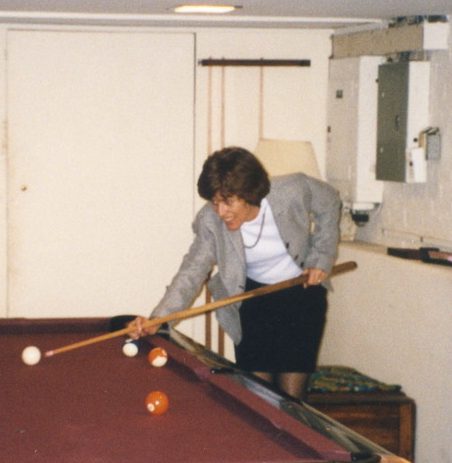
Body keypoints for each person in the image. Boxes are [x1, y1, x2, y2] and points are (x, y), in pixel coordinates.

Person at [132, 146, 341, 400]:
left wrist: (320, 257)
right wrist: (158, 319)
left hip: (301, 295)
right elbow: (192, 271)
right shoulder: (210, 221)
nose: (221, 211)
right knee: (259, 397)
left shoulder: (292, 190)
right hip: (252, 302)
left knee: (292, 401)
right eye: (215, 202)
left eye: (228, 201)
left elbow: (330, 201)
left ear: (249, 193)